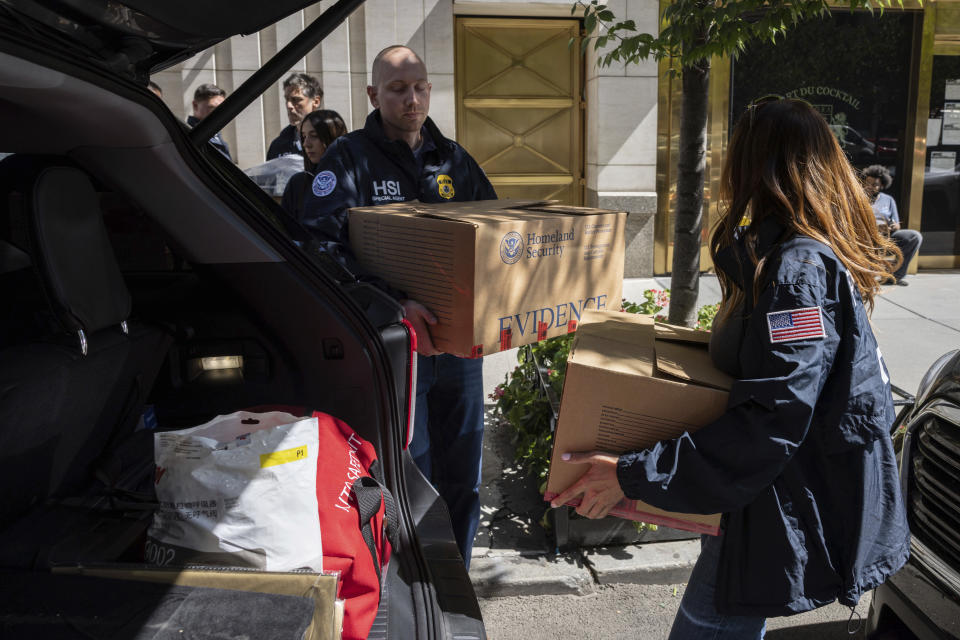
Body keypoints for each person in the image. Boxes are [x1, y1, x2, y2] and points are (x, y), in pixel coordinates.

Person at [550, 98, 910, 639]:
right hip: (754, 502)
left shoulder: (797, 273)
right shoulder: (784, 257)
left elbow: (771, 420)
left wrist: (631, 473)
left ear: (754, 168)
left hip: (768, 503)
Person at [301, 45, 497, 567]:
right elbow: (320, 247)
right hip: (398, 349)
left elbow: (499, 241)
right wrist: (393, 306)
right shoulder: (348, 160)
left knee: (463, 471)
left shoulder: (455, 160)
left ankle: (459, 574)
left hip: (460, 353)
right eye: (396, 89)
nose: (411, 99)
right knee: (414, 469)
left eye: (419, 87)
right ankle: (416, 582)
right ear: (373, 94)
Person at [862, 164, 923, 286]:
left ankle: (895, 276)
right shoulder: (858, 198)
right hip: (865, 235)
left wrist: (891, 227)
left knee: (914, 236)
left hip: (886, 235)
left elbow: (896, 223)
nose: (870, 187)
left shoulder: (888, 200)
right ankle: (865, 276)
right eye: (868, 183)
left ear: (882, 186)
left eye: (875, 185)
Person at [280, 109, 347, 219]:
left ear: (333, 137)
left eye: (314, 135)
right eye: (304, 136)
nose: (306, 144)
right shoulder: (297, 184)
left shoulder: (356, 179)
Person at [267, 73, 323, 161]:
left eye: (296, 100)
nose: (289, 105)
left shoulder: (333, 141)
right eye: (287, 99)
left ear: (316, 102)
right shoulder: (278, 145)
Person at [187, 83, 232, 162]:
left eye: (222, 109)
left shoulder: (214, 132)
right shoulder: (191, 134)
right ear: (195, 105)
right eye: (212, 108)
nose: (220, 114)